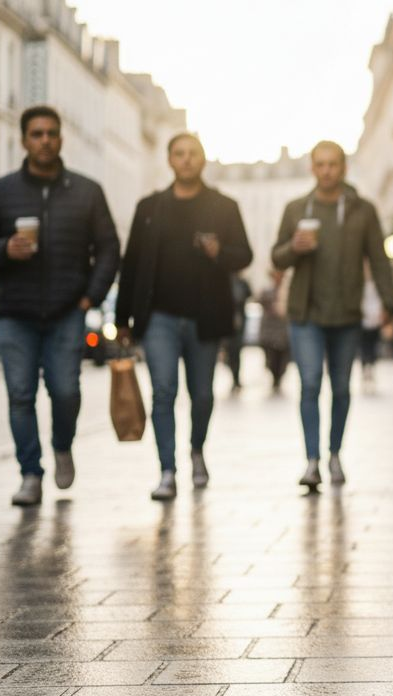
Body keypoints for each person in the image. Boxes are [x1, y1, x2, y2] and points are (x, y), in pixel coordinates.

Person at [0, 105, 120, 506]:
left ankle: (63, 446)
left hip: (67, 311)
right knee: (20, 395)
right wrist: (5, 248)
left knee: (65, 391)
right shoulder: (0, 192)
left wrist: (90, 297)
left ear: (61, 139)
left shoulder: (87, 191)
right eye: (37, 134)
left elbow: (108, 248)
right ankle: (30, 474)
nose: (45, 140)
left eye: (51, 133)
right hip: (15, 313)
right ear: (24, 140)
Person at [118, 133, 253, 501]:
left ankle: (196, 450)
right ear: (170, 160)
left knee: (203, 395)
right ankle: (167, 470)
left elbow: (245, 255)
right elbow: (131, 265)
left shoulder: (223, 206)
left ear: (203, 159)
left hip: (204, 317)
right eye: (180, 153)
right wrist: (123, 319)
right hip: (158, 317)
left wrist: (219, 251)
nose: (187, 159)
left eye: (193, 153)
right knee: (163, 392)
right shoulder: (150, 208)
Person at [272, 140, 393, 490]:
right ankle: (312, 461)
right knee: (310, 383)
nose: (327, 170)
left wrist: (389, 303)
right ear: (312, 168)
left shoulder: (363, 210)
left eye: (333, 164)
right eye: (321, 164)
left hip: (347, 314)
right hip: (305, 314)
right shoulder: (296, 209)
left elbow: (379, 259)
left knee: (341, 388)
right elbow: (277, 257)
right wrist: (293, 248)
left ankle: (335, 454)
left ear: (344, 168)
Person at [257, 269, 291, 391]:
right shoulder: (267, 291)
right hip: (270, 331)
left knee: (282, 358)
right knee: (271, 357)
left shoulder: (287, 291)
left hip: (283, 331)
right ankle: (274, 377)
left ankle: (279, 377)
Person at [221, 275, 252, 392]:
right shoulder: (225, 281)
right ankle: (234, 375)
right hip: (227, 324)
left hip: (238, 324)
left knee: (236, 351)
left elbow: (248, 295)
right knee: (230, 351)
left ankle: (236, 377)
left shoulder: (242, 282)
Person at [358, 264, 384, 391]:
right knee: (364, 347)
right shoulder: (360, 285)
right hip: (363, 321)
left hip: (375, 321)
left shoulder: (377, 285)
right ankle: (365, 370)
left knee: (372, 347)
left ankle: (371, 368)